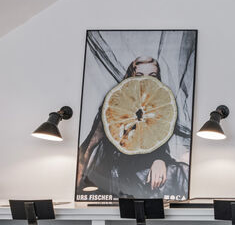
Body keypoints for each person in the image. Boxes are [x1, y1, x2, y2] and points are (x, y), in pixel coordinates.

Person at [76, 56, 189, 199]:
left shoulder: (161, 105)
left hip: (150, 166)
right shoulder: (115, 103)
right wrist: (77, 184)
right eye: (139, 75)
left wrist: (160, 160)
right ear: (131, 76)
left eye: (152, 76)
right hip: (121, 171)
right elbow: (90, 145)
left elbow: (160, 142)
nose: (146, 80)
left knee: (182, 172)